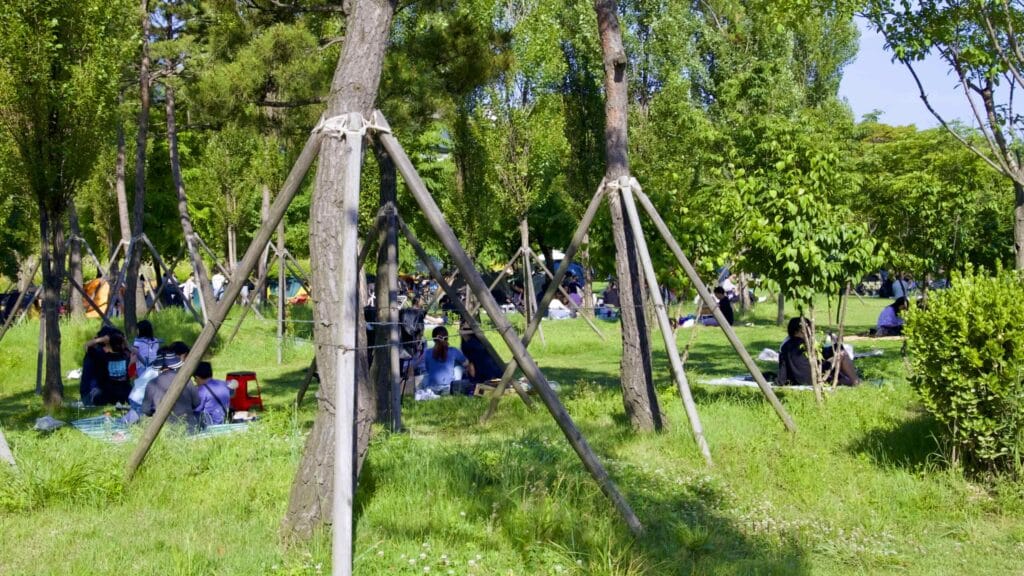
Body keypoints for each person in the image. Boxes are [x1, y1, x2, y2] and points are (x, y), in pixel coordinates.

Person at [777, 317, 859, 386]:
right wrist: (837, 345)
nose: (811, 332)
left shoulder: (784, 346)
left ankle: (847, 381)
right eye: (808, 328)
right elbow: (823, 355)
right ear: (800, 330)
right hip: (814, 378)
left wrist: (780, 382)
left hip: (797, 381)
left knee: (836, 370)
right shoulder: (807, 344)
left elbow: (782, 371)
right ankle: (856, 381)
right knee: (842, 355)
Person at [142, 347, 200, 431]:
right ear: (174, 363)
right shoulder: (186, 380)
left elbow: (146, 409)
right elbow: (197, 402)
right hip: (189, 428)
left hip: (164, 430)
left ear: (159, 366)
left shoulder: (152, 384)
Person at [416, 326, 473, 395]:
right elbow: (466, 364)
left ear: (433, 339)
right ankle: (455, 384)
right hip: (449, 388)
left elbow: (428, 369)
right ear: (447, 337)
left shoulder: (428, 352)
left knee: (426, 375)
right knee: (458, 366)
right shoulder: (453, 350)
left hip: (432, 387)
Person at [83, 329, 132, 405]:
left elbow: (86, 346)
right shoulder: (126, 356)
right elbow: (129, 349)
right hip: (125, 392)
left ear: (110, 345)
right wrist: (123, 339)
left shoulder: (103, 356)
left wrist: (101, 339)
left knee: (98, 396)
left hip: (109, 394)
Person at [458, 320, 502, 385]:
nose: (460, 331)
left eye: (463, 328)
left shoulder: (472, 345)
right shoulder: (470, 343)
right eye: (461, 327)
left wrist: (473, 381)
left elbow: (471, 365)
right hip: (490, 373)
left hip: (485, 375)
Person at [193, 361, 231, 426]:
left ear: (197, 377)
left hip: (212, 424)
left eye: (194, 379)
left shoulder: (201, 391)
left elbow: (197, 410)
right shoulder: (224, 383)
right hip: (226, 419)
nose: (194, 381)